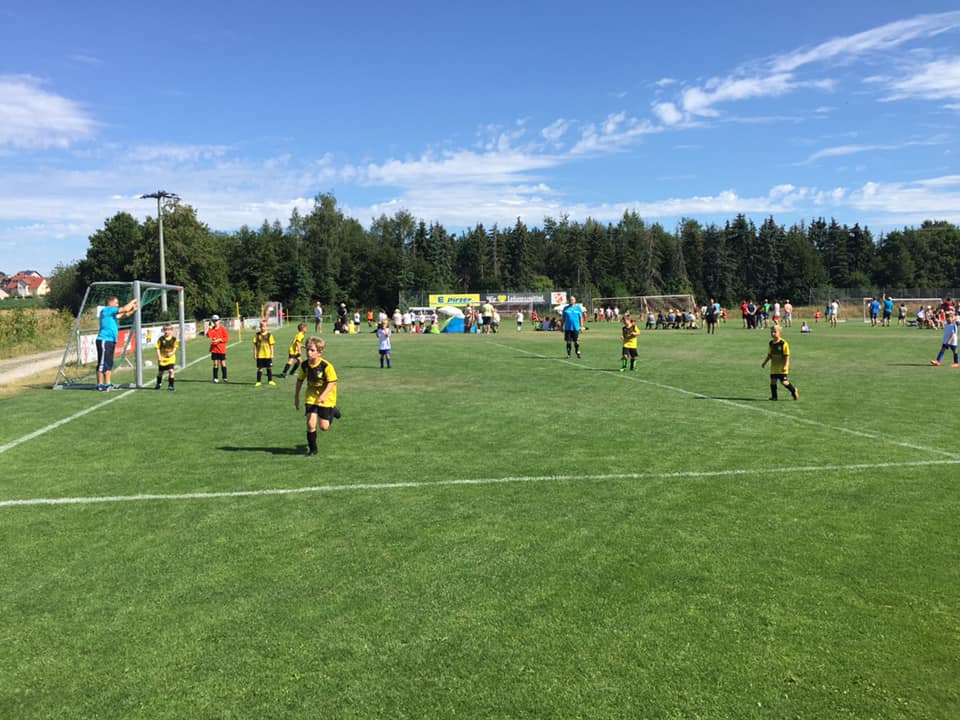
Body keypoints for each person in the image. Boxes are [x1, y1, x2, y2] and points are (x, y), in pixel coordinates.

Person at [294, 336, 339, 456]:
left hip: (326, 398)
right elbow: (299, 381)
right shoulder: (304, 365)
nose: (308, 352)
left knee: (324, 427)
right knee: (310, 423)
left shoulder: (326, 366)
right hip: (311, 396)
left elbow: (332, 382)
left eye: (312, 350)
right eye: (307, 350)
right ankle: (313, 450)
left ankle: (333, 411)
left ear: (319, 352)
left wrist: (323, 396)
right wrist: (296, 397)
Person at [96, 295, 138, 391]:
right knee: (102, 363)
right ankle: (100, 384)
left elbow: (123, 315)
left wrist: (133, 311)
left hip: (111, 341)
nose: (117, 305)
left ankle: (107, 384)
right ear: (110, 303)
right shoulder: (107, 310)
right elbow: (125, 309)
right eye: (116, 303)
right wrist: (133, 301)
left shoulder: (111, 313)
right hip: (104, 340)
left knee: (109, 363)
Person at [761, 325, 799, 401]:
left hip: (782, 367)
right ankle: (774, 397)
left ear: (780, 333)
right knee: (773, 381)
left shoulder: (783, 343)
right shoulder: (771, 343)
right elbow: (769, 355)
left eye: (775, 332)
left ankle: (794, 390)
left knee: (784, 382)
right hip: (774, 367)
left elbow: (787, 356)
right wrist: (764, 362)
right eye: (771, 332)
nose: (773, 333)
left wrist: (786, 365)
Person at [154, 323, 178, 391]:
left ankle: (171, 386)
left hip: (171, 358)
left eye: (168, 330)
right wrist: (159, 357)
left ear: (171, 330)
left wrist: (172, 353)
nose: (166, 331)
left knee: (171, 371)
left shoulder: (174, 339)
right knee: (160, 372)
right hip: (162, 358)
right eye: (165, 330)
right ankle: (158, 383)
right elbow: (157, 348)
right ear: (163, 330)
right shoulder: (161, 339)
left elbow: (175, 348)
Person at [253, 320, 276, 387]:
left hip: (267, 355)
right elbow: (255, 346)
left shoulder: (269, 335)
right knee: (260, 368)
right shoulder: (257, 335)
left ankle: (270, 380)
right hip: (260, 355)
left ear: (267, 327)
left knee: (269, 368)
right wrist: (255, 354)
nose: (263, 328)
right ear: (260, 327)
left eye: (264, 326)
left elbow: (271, 346)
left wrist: (272, 354)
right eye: (261, 326)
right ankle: (258, 381)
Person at [208, 314, 229, 383]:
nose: (215, 322)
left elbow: (226, 338)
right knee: (215, 364)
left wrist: (219, 340)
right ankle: (215, 378)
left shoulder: (222, 329)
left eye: (216, 321)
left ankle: (224, 378)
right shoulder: (212, 329)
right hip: (214, 349)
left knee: (223, 363)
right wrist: (210, 328)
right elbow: (208, 335)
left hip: (221, 349)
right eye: (214, 321)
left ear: (219, 321)